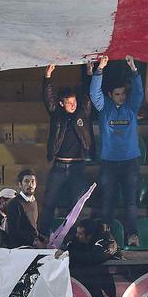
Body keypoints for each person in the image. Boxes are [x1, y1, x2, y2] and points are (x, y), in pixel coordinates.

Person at [89, 55, 142, 247]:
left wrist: (134, 70)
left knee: (131, 201)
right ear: (110, 95)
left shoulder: (131, 107)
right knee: (108, 201)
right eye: (118, 94)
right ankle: (105, 238)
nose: (122, 97)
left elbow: (139, 92)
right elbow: (94, 93)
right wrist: (99, 70)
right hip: (109, 162)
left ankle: (132, 235)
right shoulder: (104, 108)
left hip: (130, 161)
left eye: (123, 94)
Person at [40, 63, 93, 235]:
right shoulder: (57, 114)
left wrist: (89, 74)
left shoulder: (82, 113)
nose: (72, 105)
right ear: (62, 103)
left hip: (78, 166)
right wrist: (47, 78)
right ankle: (42, 234)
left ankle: (71, 237)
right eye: (69, 102)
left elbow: (87, 95)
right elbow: (48, 98)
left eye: (74, 101)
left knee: (75, 205)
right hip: (60, 165)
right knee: (49, 202)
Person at [55, 218, 121, 267]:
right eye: (77, 232)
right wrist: (62, 250)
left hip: (101, 276)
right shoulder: (74, 238)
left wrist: (69, 255)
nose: (77, 235)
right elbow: (66, 244)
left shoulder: (105, 242)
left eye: (80, 234)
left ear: (89, 236)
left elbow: (93, 258)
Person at [5, 169, 45, 247]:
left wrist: (43, 238)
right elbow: (14, 232)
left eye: (33, 181)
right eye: (26, 181)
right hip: (19, 249)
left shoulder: (34, 202)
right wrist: (34, 242)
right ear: (20, 185)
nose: (30, 185)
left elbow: (32, 229)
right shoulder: (14, 204)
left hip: (32, 246)